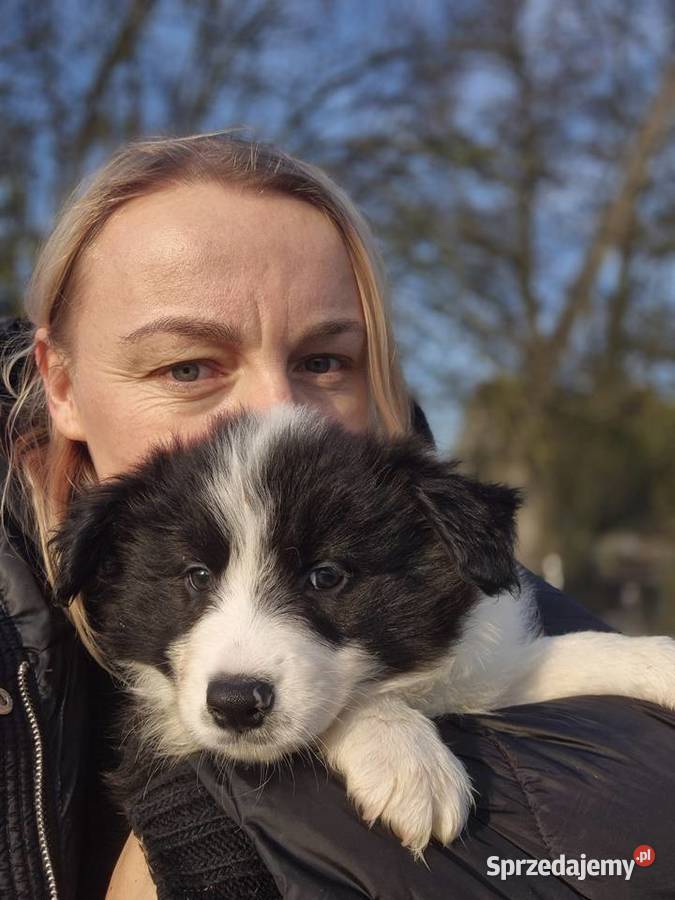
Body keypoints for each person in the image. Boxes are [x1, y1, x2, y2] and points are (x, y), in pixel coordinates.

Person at [0, 132, 673, 900]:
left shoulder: (422, 533)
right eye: (186, 365)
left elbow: (623, 832)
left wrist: (323, 755)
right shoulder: (104, 547)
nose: (272, 411)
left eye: (323, 361)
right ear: (60, 384)